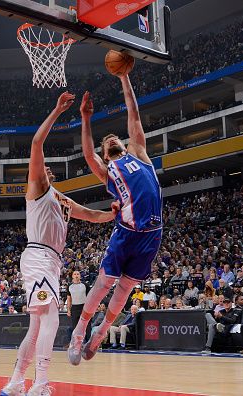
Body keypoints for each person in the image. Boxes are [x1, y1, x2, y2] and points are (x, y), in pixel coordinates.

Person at [0, 92, 118, 396]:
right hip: (38, 256)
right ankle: (39, 383)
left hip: (50, 261)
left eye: (50, 169)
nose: (47, 169)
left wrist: (114, 215)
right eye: (43, 168)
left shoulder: (61, 199)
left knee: (37, 325)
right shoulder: (38, 188)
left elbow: (90, 214)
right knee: (50, 315)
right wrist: (56, 111)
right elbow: (37, 144)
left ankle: (15, 382)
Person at [68, 74, 163, 365]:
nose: (110, 137)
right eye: (105, 141)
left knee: (124, 292)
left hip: (152, 233)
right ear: (105, 153)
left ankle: (100, 333)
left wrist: (124, 77)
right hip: (126, 231)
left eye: (113, 136)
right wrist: (85, 118)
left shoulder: (140, 153)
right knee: (105, 283)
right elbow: (87, 153)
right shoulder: (108, 170)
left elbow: (133, 112)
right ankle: (79, 330)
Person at [66, 271, 88, 341]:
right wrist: (68, 310)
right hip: (74, 308)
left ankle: (85, 343)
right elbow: (69, 300)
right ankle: (76, 343)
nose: (76, 275)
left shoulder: (85, 285)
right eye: (75, 274)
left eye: (78, 274)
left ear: (80, 276)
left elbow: (89, 297)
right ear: (72, 276)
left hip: (84, 307)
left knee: (85, 326)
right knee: (75, 327)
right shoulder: (69, 286)